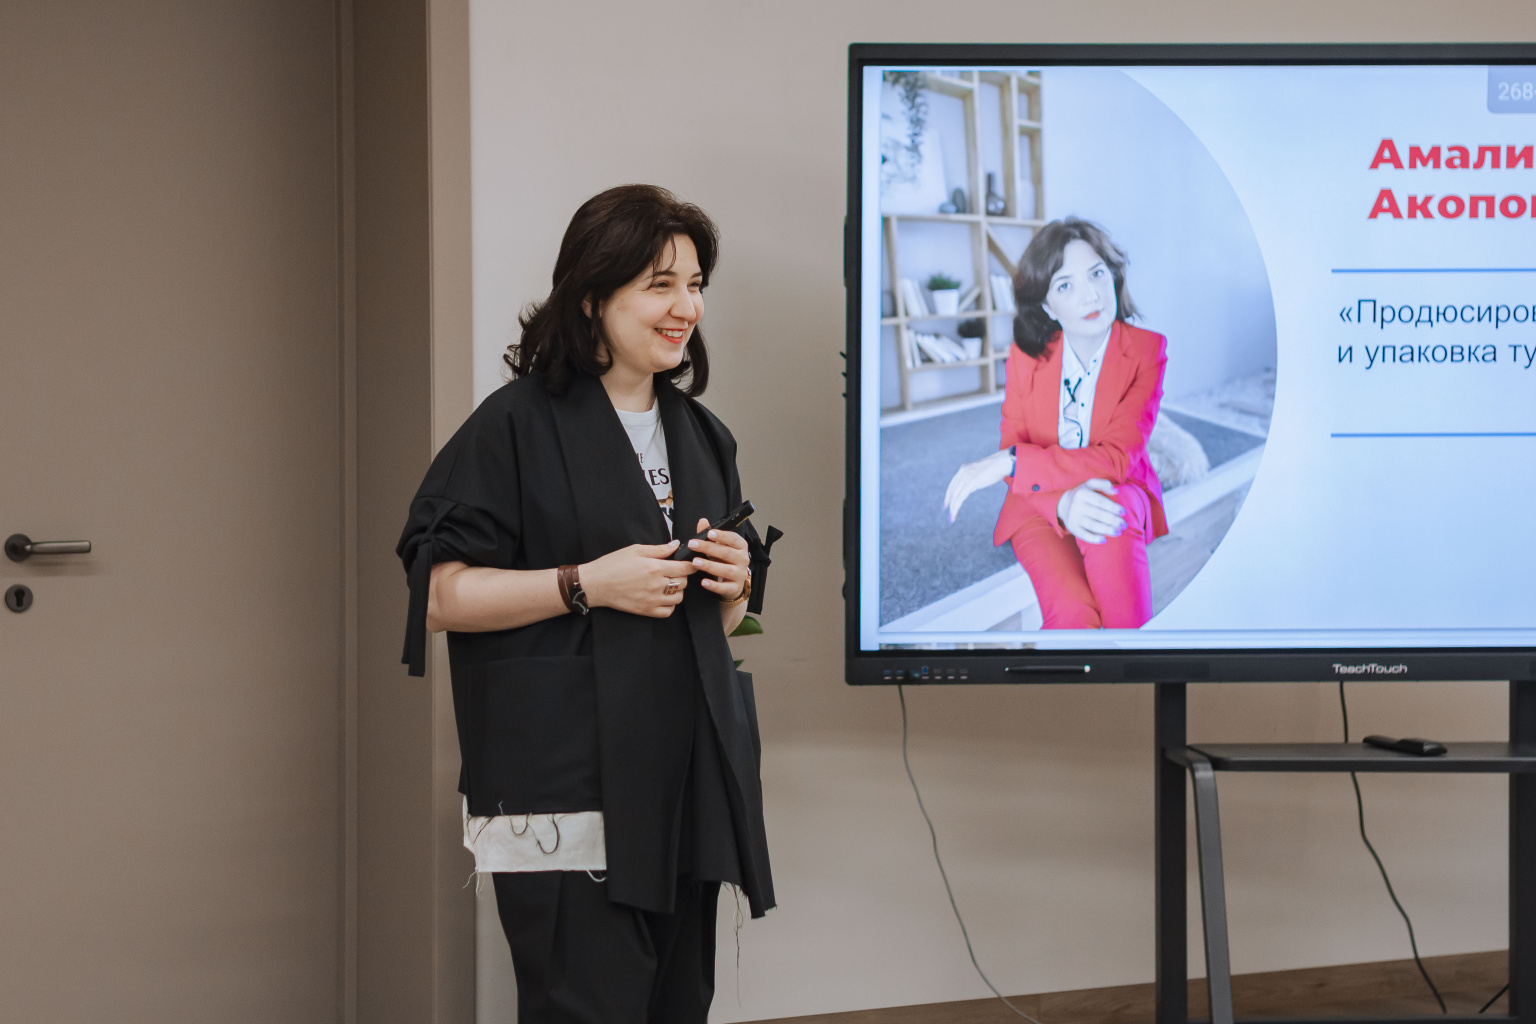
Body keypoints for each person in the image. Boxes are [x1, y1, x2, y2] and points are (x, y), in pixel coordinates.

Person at [397, 185, 778, 1022]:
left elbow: (709, 625)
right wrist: (583, 584)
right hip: (570, 783)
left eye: (695, 284)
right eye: (659, 284)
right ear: (590, 296)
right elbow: (436, 595)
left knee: (680, 1007)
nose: (687, 308)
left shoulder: (704, 437)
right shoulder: (513, 427)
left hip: (683, 786)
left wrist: (733, 585)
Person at [943, 218, 1167, 629]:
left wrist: (1013, 461)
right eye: (1065, 286)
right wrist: (1061, 504)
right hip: (1039, 502)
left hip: (1116, 487)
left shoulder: (1147, 351)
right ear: (1047, 305)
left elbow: (1116, 459)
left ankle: (1132, 657)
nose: (1090, 294)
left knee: (1110, 511)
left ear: (1113, 276)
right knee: (1071, 614)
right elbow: (1015, 447)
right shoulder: (1025, 356)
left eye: (1097, 274)